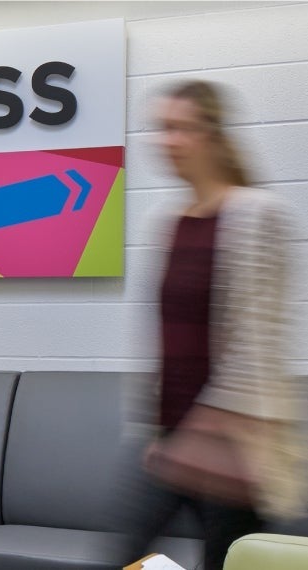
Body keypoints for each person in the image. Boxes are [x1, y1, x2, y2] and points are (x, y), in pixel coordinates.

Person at [118, 80, 307, 570]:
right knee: (127, 555)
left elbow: (256, 342)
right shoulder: (171, 220)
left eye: (180, 128)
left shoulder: (258, 215)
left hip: (235, 450)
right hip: (178, 438)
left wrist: (198, 434)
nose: (167, 141)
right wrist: (161, 432)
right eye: (161, 129)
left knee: (222, 561)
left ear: (212, 135)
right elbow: (166, 340)